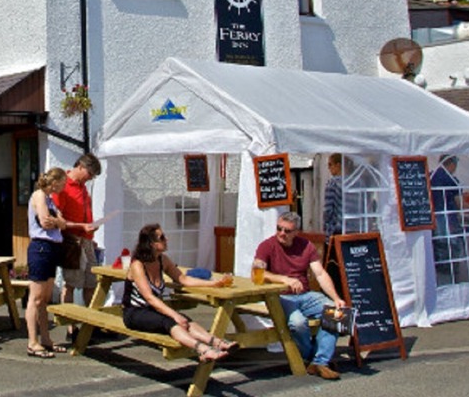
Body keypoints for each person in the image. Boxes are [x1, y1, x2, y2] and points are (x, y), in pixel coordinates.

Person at [122, 223, 235, 363]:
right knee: (170, 321)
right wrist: (174, 315)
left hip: (153, 310)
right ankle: (203, 349)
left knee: (184, 320)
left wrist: (214, 283)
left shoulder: (162, 259)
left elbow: (184, 279)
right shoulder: (137, 265)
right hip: (135, 312)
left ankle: (218, 342)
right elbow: (149, 298)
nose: (167, 239)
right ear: (151, 243)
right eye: (162, 237)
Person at [255, 211, 345, 380]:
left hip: (305, 295)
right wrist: (284, 279)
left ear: (296, 232)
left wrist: (336, 298)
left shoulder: (306, 246)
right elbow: (257, 272)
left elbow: (319, 273)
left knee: (337, 312)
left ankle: (320, 362)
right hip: (281, 296)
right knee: (298, 323)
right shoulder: (267, 245)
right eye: (279, 229)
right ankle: (315, 359)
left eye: (287, 231)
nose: (281, 233)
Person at [52, 152, 102, 338]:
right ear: (80, 166)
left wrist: (90, 232)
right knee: (71, 283)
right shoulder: (63, 186)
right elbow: (59, 219)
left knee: (92, 283)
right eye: (90, 174)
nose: (90, 178)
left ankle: (91, 325)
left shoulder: (82, 187)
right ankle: (71, 328)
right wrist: (81, 227)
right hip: (72, 241)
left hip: (86, 240)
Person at [24, 168, 67, 358]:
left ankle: (46, 339)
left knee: (46, 299)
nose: (64, 187)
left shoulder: (50, 200)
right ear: (54, 182)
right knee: (36, 298)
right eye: (62, 183)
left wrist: (57, 221)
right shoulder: (39, 195)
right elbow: (45, 222)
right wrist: (57, 221)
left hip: (52, 249)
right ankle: (32, 342)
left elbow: (62, 223)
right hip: (40, 248)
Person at [322, 153, 343, 238]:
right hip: (356, 229)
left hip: (338, 229)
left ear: (338, 165)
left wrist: (326, 226)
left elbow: (328, 209)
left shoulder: (333, 183)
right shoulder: (357, 182)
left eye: (330, 164)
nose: (329, 168)